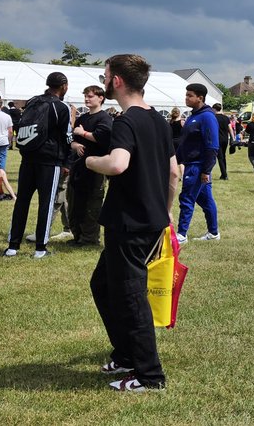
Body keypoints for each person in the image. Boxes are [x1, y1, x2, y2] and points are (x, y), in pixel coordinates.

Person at [85, 54, 178, 392]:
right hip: (149, 220)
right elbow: (173, 173)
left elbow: (118, 164)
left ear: (117, 81)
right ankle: (125, 354)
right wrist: (166, 210)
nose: (104, 80)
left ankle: (149, 375)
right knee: (103, 285)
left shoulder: (126, 121)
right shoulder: (159, 120)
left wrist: (92, 160)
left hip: (130, 222)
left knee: (130, 296)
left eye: (105, 75)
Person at [3, 72, 71, 259]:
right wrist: (67, 162)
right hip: (50, 161)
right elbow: (67, 137)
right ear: (64, 86)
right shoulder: (61, 106)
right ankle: (41, 249)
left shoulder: (33, 101)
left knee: (22, 203)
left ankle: (12, 247)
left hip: (28, 159)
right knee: (46, 204)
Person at [67, 85, 113, 246]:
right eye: (85, 96)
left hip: (96, 168)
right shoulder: (82, 118)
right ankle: (77, 235)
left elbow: (104, 138)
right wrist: (74, 145)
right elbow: (71, 138)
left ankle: (89, 238)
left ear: (100, 98)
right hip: (78, 167)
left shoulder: (104, 118)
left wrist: (83, 134)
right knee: (73, 202)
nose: (87, 99)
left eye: (90, 96)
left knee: (91, 203)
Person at [175, 84, 220, 244]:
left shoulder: (207, 117)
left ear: (200, 98)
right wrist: (176, 160)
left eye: (190, 95)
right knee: (206, 201)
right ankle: (213, 232)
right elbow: (185, 143)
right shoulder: (193, 116)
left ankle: (181, 234)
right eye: (186, 95)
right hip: (191, 164)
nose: (186, 98)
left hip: (198, 165)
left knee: (186, 198)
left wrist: (206, 170)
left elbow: (212, 146)